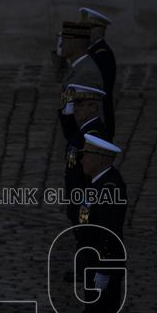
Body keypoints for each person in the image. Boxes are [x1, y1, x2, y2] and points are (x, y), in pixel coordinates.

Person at [75, 134, 127, 313]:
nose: (82, 159)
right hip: (95, 263)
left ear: (99, 158)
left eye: (87, 154)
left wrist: (104, 270)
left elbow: (109, 232)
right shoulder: (98, 183)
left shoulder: (109, 187)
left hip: (103, 265)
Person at [62, 83, 108, 225]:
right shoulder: (83, 130)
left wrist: (85, 208)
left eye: (81, 105)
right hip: (77, 197)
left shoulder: (93, 134)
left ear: (93, 107)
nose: (76, 109)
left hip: (85, 200)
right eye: (75, 104)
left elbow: (93, 173)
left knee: (87, 237)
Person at [79, 7, 117, 141]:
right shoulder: (91, 51)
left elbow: (102, 86)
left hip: (98, 113)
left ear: (100, 31)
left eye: (89, 29)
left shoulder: (101, 53)